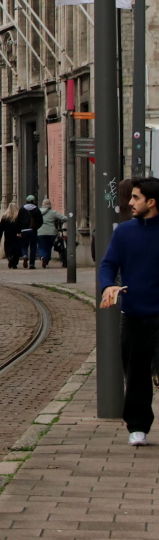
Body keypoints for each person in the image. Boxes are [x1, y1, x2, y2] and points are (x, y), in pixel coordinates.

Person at [98, 176, 159, 447]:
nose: (130, 202)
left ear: (152, 202)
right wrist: (109, 285)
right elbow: (108, 264)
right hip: (133, 315)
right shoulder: (124, 233)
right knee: (135, 374)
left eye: (136, 198)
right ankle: (137, 426)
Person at [37, 198, 66, 270]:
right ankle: (46, 260)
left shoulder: (38, 212)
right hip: (51, 232)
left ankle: (42, 257)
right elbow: (63, 218)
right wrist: (70, 217)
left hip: (40, 232)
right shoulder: (53, 212)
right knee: (49, 247)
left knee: (41, 247)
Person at [17, 195, 43, 269]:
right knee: (33, 247)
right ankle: (32, 264)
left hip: (24, 230)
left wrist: (18, 231)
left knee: (24, 245)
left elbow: (18, 221)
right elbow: (41, 221)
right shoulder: (36, 209)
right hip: (33, 230)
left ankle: (25, 255)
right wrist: (36, 227)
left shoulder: (22, 209)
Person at [0, 202, 23, 269]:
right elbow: (21, 225)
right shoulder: (18, 216)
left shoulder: (5, 216)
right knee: (16, 248)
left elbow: (1, 227)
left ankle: (9, 257)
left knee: (8, 247)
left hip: (8, 234)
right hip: (16, 235)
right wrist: (20, 232)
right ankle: (15, 263)